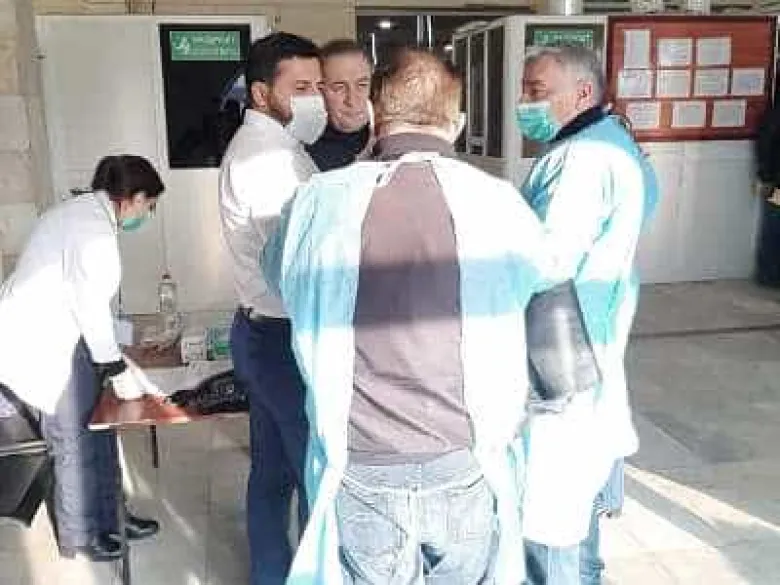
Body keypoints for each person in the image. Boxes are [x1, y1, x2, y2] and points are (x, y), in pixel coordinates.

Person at [263, 48, 568, 585]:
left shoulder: (317, 200)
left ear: (375, 117)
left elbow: (278, 278)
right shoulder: (501, 203)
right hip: (466, 458)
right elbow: (551, 306)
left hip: (361, 462)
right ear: (458, 123)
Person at [515, 45, 658, 584]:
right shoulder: (615, 142)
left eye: (536, 91)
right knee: (581, 505)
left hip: (560, 347)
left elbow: (548, 261)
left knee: (551, 515)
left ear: (581, 92)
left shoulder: (581, 160)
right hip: (596, 337)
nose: (525, 102)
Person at [0, 155, 164, 562]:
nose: (148, 214)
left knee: (102, 428)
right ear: (134, 198)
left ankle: (113, 517)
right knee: (74, 439)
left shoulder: (82, 214)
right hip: (43, 344)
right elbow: (88, 304)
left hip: (64, 333)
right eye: (149, 205)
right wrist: (115, 366)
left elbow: (88, 299)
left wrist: (125, 343)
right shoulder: (92, 231)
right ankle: (82, 535)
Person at [217, 31, 324, 585]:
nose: (317, 99)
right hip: (281, 338)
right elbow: (295, 262)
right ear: (261, 93)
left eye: (318, 86)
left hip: (263, 331)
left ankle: (272, 574)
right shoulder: (266, 158)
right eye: (301, 87)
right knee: (310, 474)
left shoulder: (281, 146)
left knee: (273, 472)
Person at [305, 39, 373, 171]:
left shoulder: (392, 131)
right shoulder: (307, 155)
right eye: (339, 88)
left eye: (362, 85)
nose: (352, 100)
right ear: (320, 91)